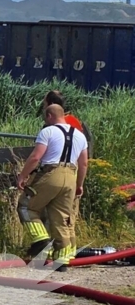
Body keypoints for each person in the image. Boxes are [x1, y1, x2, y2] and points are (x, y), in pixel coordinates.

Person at [15, 104, 88, 272]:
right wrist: (79, 184)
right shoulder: (79, 135)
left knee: (27, 206)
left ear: (49, 116)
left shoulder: (48, 132)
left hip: (50, 173)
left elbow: (35, 157)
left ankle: (41, 240)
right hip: (71, 175)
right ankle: (61, 261)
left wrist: (22, 175)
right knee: (61, 218)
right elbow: (83, 163)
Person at [41, 90, 92, 225]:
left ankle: (50, 242)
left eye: (45, 102)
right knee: (67, 217)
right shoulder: (73, 121)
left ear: (50, 105)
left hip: (54, 173)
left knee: (49, 213)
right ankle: (65, 243)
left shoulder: (51, 126)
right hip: (72, 174)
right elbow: (83, 159)